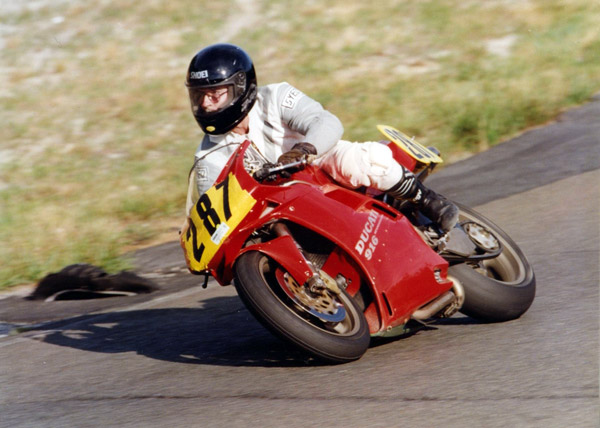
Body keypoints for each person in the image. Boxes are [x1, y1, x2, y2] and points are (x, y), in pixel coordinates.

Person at [186, 43, 458, 232]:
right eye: (199, 97)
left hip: (318, 162)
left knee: (363, 160)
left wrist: (305, 148)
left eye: (214, 94)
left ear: (240, 88)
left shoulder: (276, 97)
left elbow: (326, 122)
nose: (206, 105)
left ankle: (430, 202)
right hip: (280, 206)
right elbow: (218, 216)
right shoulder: (207, 159)